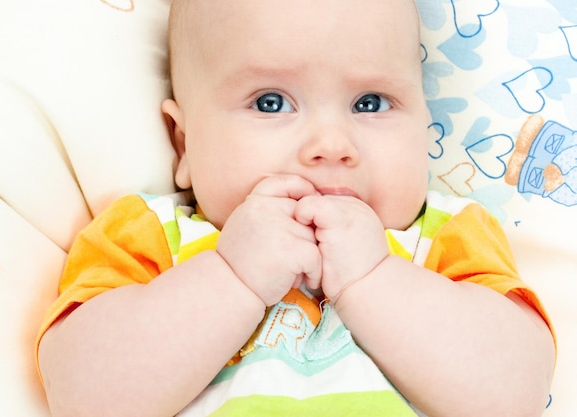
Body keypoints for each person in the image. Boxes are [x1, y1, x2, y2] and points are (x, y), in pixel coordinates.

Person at [36, 1, 556, 416]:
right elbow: (83, 397)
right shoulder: (150, 235)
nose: (332, 144)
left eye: (370, 102)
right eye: (270, 102)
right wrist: (231, 276)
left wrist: (373, 278)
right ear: (183, 144)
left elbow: (515, 394)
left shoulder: (446, 237)